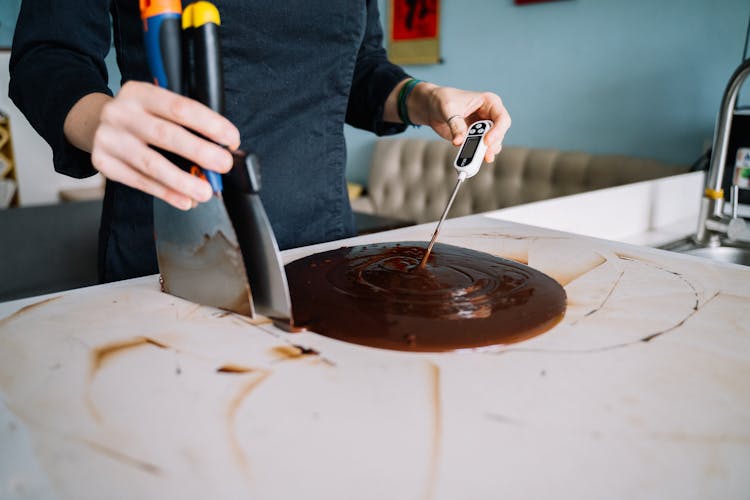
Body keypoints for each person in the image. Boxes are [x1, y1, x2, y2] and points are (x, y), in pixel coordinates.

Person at [9, 1, 511, 283]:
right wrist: (99, 119)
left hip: (324, 238)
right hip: (179, 240)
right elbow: (47, 57)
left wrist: (422, 99)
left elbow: (358, 72)